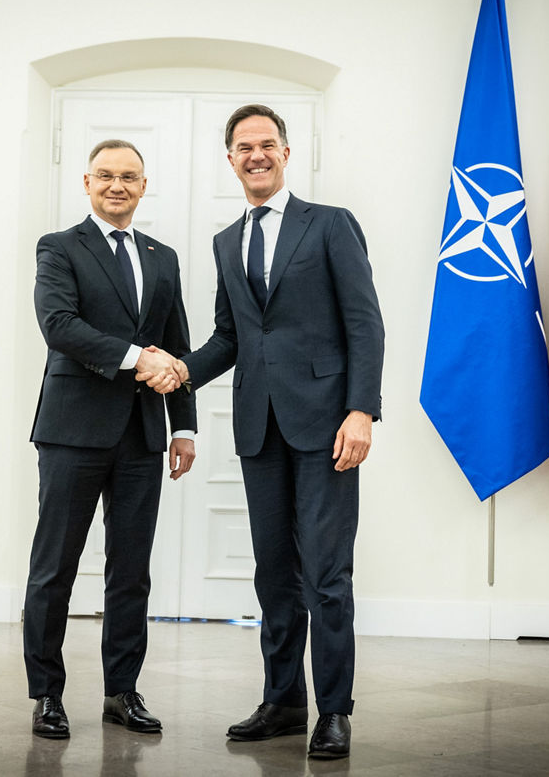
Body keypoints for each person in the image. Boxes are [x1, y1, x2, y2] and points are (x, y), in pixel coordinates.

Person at [143, 105, 384, 760]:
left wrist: (362, 410)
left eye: (267, 144)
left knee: (327, 576)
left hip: (328, 426)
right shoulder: (227, 241)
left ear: (285, 151)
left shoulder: (330, 225)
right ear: (230, 159)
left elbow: (364, 323)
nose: (256, 154)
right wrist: (177, 369)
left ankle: (333, 710)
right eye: (244, 146)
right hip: (259, 428)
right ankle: (283, 702)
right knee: (274, 574)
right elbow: (232, 336)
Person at [23, 139, 196, 740]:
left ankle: (121, 691)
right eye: (105, 176)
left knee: (131, 571)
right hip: (73, 430)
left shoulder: (163, 256)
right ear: (87, 183)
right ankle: (47, 694)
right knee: (56, 567)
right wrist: (136, 357)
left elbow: (175, 341)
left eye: (129, 177)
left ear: (144, 186)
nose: (117, 185)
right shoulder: (59, 247)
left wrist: (186, 426)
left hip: (144, 436)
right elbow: (59, 325)